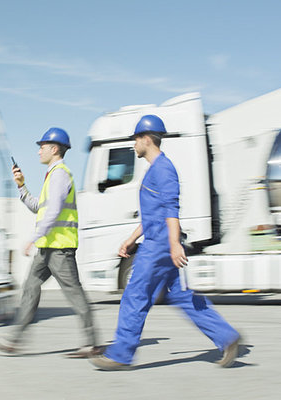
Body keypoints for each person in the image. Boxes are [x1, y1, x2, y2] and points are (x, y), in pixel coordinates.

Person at [89, 115, 240, 371]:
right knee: (180, 296)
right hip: (158, 240)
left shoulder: (163, 169)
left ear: (147, 139)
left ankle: (121, 354)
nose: (133, 144)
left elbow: (171, 209)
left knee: (135, 295)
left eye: (136, 139)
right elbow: (154, 213)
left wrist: (173, 244)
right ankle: (227, 337)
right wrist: (131, 238)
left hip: (159, 245)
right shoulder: (155, 169)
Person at [0, 127, 99, 358]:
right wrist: (21, 185)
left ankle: (92, 343)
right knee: (30, 290)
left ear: (54, 149)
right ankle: (14, 340)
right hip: (47, 248)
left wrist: (33, 239)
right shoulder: (52, 176)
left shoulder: (60, 175)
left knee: (75, 295)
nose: (38, 152)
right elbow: (39, 207)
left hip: (59, 249)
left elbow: (53, 212)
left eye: (42, 147)